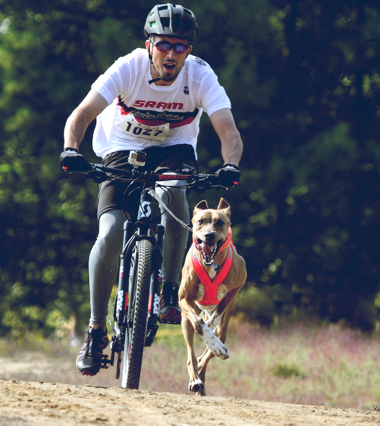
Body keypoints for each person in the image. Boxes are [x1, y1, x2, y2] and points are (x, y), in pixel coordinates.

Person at [60, 3, 243, 376]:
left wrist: (230, 166)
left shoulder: (201, 76)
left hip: (175, 150)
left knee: (175, 197)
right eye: (164, 45)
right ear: (149, 44)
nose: (172, 54)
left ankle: (170, 292)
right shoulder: (128, 67)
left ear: (189, 50)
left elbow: (229, 132)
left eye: (181, 46)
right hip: (119, 147)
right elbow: (80, 115)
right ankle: (96, 331)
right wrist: (70, 149)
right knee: (110, 232)